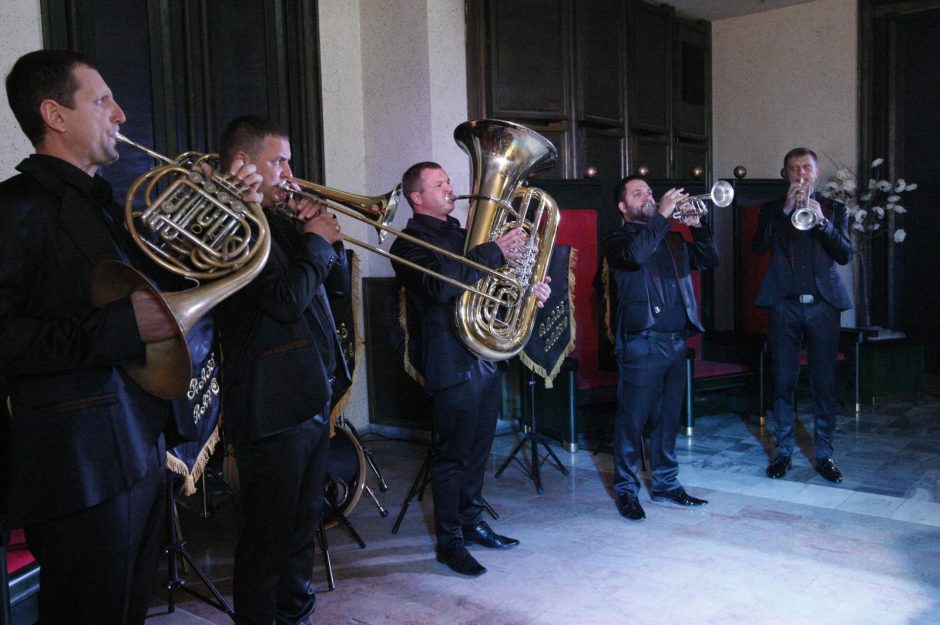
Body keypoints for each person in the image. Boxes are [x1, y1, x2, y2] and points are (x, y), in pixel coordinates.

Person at [0, 50, 260, 625]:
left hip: (141, 443)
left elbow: (176, 284)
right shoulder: (11, 209)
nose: (120, 114)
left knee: (126, 611)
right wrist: (118, 329)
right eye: (101, 100)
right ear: (55, 114)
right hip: (78, 465)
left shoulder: (112, 207)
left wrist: (227, 207)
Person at [215, 115, 351, 625]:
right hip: (270, 404)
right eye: (280, 161)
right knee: (268, 540)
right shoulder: (229, 221)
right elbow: (283, 300)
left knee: (301, 530)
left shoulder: (280, 221)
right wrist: (313, 242)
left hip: (307, 397)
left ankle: (296, 617)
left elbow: (327, 292)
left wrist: (322, 239)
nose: (291, 172)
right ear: (244, 163)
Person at [389, 161, 550, 577]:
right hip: (450, 364)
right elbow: (442, 285)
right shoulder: (407, 245)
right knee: (451, 459)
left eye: (448, 182)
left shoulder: (463, 235)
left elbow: (492, 288)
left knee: (477, 452)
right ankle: (450, 543)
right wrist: (494, 251)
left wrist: (529, 290)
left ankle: (472, 522)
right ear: (417, 196)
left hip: (484, 358)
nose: (450, 189)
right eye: (439, 184)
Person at [601, 175, 718, 521]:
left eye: (649, 192)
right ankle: (625, 490)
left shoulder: (671, 239)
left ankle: (666, 484)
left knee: (668, 421)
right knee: (631, 422)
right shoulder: (617, 238)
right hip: (641, 342)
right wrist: (662, 216)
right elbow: (636, 256)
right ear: (623, 206)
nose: (648, 196)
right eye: (638, 194)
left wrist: (699, 227)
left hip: (676, 341)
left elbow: (709, 260)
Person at [753, 147, 852, 483]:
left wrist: (821, 219)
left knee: (824, 383)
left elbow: (844, 254)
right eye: (794, 169)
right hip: (784, 304)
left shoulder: (835, 209)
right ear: (786, 175)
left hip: (823, 306)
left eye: (806, 168)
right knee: (783, 381)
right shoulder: (771, 211)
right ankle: (783, 453)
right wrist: (785, 210)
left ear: (816, 171)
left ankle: (824, 454)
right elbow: (758, 248)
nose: (800, 175)